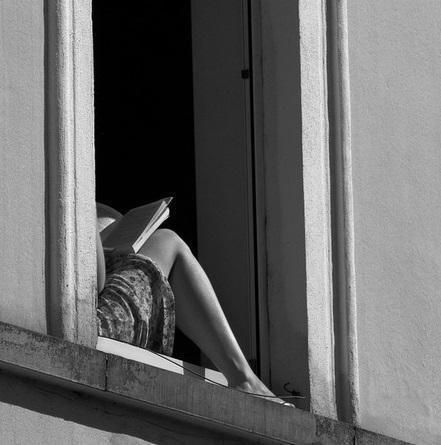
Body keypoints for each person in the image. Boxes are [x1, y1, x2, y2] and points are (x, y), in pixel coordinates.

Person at [96, 203, 290, 404]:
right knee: (168, 241)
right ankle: (242, 378)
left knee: (164, 241)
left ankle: (244, 378)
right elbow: (96, 280)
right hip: (96, 328)